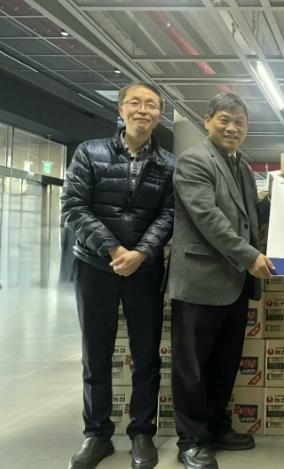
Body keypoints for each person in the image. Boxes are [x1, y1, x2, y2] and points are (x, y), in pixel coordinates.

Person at [62, 81, 176, 469]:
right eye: (135, 103)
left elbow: (169, 214)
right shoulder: (89, 152)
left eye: (151, 105)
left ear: (160, 114)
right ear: (121, 109)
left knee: (146, 353)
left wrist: (141, 253)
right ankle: (97, 434)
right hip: (95, 265)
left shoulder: (169, 164)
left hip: (145, 269)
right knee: (96, 351)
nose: (143, 110)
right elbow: (74, 206)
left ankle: (142, 432)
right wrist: (114, 250)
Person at [166, 92, 273, 469]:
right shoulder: (194, 160)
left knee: (224, 363)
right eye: (224, 120)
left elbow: (247, 216)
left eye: (239, 122)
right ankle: (191, 440)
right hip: (200, 282)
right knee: (192, 366)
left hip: (234, 284)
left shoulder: (240, 165)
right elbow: (208, 218)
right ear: (207, 120)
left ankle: (215, 427)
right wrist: (250, 257)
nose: (232, 128)